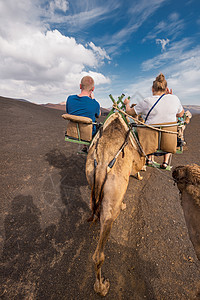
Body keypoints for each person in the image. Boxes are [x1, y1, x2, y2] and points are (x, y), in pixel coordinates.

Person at [124, 73, 184, 169]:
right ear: (166, 88)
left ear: (152, 89)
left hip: (149, 144)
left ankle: (149, 158)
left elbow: (129, 112)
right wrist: (169, 97)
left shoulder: (146, 101)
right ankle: (165, 162)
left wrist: (127, 103)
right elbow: (180, 114)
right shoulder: (175, 98)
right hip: (168, 143)